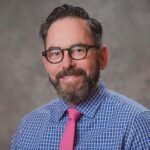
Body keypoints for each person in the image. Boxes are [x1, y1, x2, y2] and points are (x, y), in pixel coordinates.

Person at [10, 4, 150, 150]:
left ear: (102, 58)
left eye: (78, 50)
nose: (66, 64)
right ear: (46, 63)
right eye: (56, 53)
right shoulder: (27, 129)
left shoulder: (137, 125)